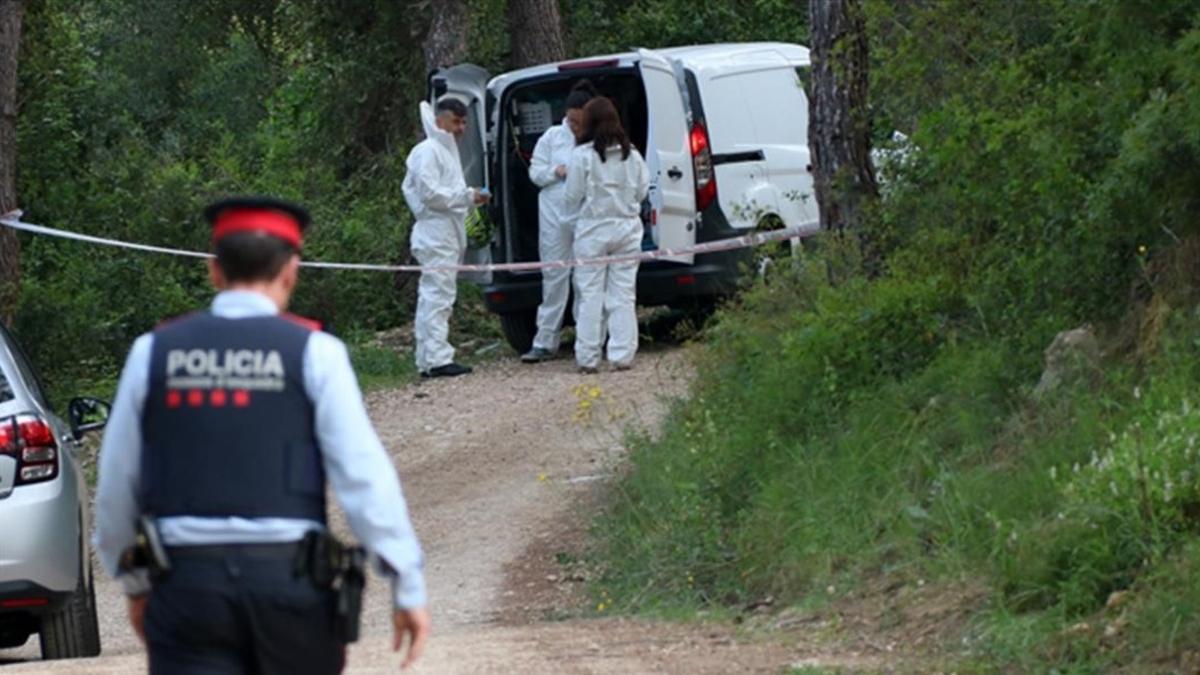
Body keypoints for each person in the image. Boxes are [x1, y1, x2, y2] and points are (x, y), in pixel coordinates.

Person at [93, 197, 430, 673]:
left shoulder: (153, 352)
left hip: (188, 590)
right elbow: (364, 479)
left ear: (214, 271)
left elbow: (115, 489)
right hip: (289, 589)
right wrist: (407, 583)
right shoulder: (316, 353)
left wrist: (134, 584)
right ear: (291, 270)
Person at [403, 97, 490, 378]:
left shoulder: (444, 152)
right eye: (456, 121)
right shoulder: (428, 151)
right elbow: (429, 194)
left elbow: (443, 194)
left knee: (435, 296)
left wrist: (471, 199)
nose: (461, 127)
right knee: (437, 296)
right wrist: (466, 196)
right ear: (440, 120)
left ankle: (428, 358)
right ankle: (437, 359)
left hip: (445, 233)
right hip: (435, 233)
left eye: (464, 122)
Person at [562, 97, 650, 374]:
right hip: (626, 229)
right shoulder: (632, 155)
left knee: (590, 295)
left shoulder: (582, 156)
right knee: (623, 294)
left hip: (592, 231)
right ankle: (622, 354)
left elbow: (571, 196)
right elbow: (643, 191)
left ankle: (588, 357)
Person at [520, 80, 597, 363]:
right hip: (553, 215)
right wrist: (556, 171)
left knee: (585, 277)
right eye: (572, 120)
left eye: (580, 122)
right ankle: (545, 340)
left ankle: (588, 339)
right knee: (554, 276)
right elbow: (535, 172)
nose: (575, 126)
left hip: (584, 215)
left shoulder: (595, 139)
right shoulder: (552, 137)